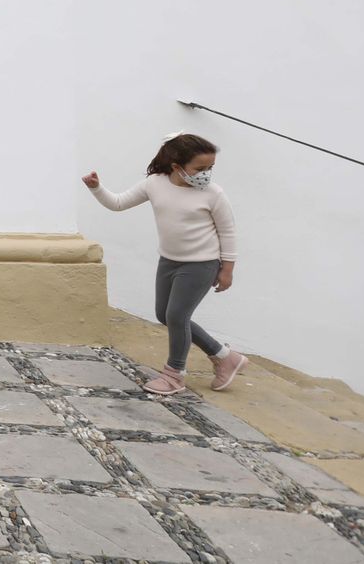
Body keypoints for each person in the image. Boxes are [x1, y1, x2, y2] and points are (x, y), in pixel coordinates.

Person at [83, 132, 249, 395]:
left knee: (177, 316)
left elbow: (228, 232)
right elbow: (117, 203)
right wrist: (96, 188)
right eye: (200, 168)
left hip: (201, 264)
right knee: (165, 315)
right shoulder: (154, 183)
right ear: (176, 166)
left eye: (210, 168)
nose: (206, 174)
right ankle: (225, 356)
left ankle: (174, 375)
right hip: (169, 261)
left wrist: (227, 270)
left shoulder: (213, 194)